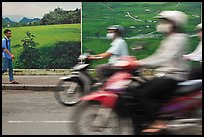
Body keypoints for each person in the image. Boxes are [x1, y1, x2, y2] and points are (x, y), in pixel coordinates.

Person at [126, 11, 190, 134]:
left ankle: (157, 123)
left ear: (174, 24)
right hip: (163, 73)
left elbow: (163, 58)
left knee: (141, 93)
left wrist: (139, 63)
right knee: (136, 81)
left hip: (172, 76)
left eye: (165, 22)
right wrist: (138, 64)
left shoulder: (178, 39)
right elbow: (157, 57)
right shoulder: (169, 38)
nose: (161, 24)